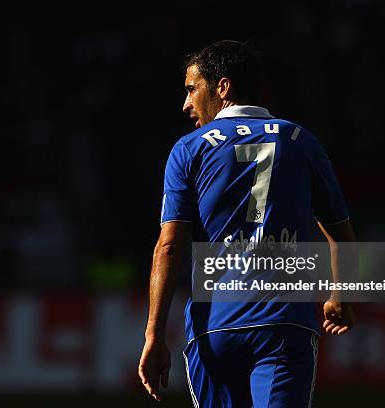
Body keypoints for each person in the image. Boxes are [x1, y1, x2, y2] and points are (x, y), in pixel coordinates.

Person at [137, 40, 356, 408]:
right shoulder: (300, 140)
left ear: (222, 88)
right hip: (283, 324)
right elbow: (342, 236)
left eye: (192, 90)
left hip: (215, 328)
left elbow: (169, 245)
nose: (186, 104)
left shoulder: (189, 149)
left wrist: (154, 334)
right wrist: (340, 296)